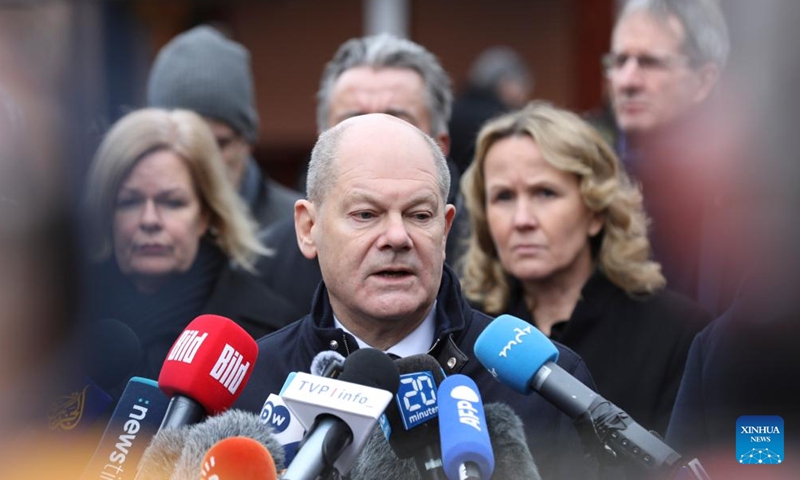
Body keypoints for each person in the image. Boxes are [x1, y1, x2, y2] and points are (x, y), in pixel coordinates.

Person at [235, 113, 599, 479]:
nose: (397, 236)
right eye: (366, 214)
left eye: (420, 215)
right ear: (308, 228)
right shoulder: (247, 386)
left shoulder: (545, 387)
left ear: (445, 228)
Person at [459, 102, 710, 436]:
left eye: (544, 193)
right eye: (503, 197)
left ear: (595, 210)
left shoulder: (678, 333)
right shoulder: (463, 335)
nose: (521, 220)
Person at [81, 108, 301, 382]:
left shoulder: (265, 330)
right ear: (106, 212)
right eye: (130, 201)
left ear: (205, 213)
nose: (150, 220)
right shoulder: (64, 320)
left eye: (172, 202)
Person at [258, 33, 470, 312]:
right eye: (352, 120)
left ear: (440, 145)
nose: (374, 133)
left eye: (397, 119)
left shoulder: (491, 252)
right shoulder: (267, 263)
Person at [599, 0, 736, 316]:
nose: (627, 81)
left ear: (703, 80)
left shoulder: (746, 188)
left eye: (649, 62)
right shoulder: (594, 178)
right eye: (619, 61)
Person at [147, 25, 301, 230]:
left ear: (248, 141)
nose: (204, 160)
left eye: (218, 143)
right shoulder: (133, 229)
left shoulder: (298, 230)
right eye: (185, 142)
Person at [449, 46, 533, 175]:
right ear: (505, 83)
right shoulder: (501, 119)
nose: (522, 96)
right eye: (521, 87)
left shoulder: (454, 108)